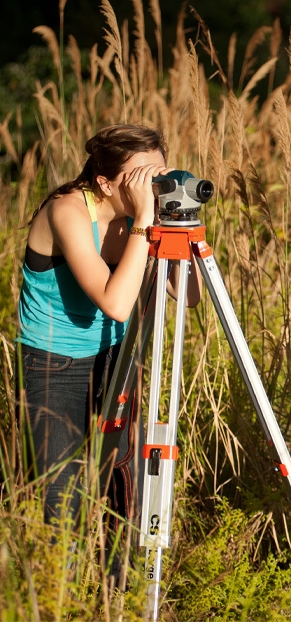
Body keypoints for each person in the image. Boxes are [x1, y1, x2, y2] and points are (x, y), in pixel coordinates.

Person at [16, 123, 201, 548]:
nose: (152, 186)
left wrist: (177, 222)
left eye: (159, 174)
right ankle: (61, 602)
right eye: (139, 178)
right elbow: (116, 304)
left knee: (124, 493)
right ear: (104, 181)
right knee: (61, 500)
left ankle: (120, 596)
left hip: (115, 358)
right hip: (52, 366)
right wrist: (143, 221)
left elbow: (187, 294)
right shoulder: (67, 212)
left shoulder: (141, 214)